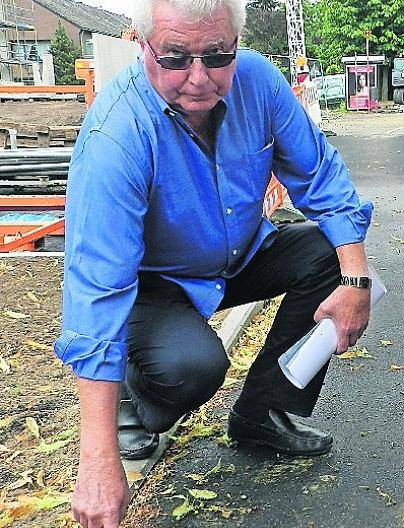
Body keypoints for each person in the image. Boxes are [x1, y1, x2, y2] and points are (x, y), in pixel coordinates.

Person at [54, 1, 373, 526]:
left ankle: (259, 414)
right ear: (142, 43)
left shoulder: (259, 83)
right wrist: (97, 462)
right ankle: (137, 400)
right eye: (176, 57)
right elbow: (95, 290)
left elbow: (320, 177)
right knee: (192, 369)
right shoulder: (116, 134)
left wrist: (357, 278)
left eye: (217, 55)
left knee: (328, 256)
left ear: (235, 45)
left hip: (237, 254)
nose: (199, 79)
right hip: (156, 282)